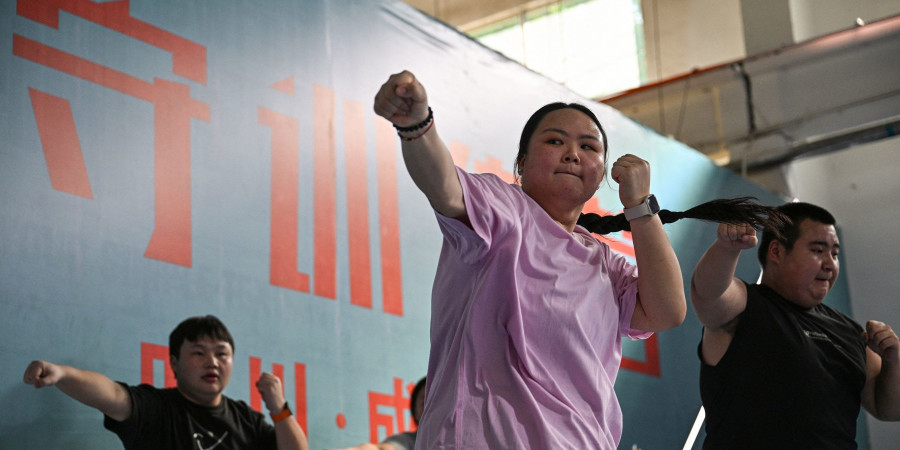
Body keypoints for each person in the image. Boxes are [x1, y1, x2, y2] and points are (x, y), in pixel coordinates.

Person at [372, 70, 782, 449]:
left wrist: (640, 206)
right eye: (555, 141)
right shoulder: (502, 211)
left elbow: (668, 311)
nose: (572, 153)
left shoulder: (603, 262)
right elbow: (443, 184)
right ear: (522, 164)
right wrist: (417, 126)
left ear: (601, 171)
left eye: (588, 147)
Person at [691, 202, 900, 448]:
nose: (830, 264)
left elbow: (888, 409)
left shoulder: (850, 331)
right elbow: (708, 294)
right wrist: (726, 249)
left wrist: (892, 361)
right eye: (817, 250)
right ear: (777, 251)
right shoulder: (744, 307)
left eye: (834, 253)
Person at [22, 315, 308, 450]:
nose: (213, 362)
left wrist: (279, 408)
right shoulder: (155, 409)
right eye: (199, 353)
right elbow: (108, 394)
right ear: (174, 362)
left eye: (222, 354)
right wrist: (61, 374)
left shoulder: (247, 420)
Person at [332, 377, 427, 450]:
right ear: (415, 411)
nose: (430, 407)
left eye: (437, 401)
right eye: (424, 401)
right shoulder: (408, 441)